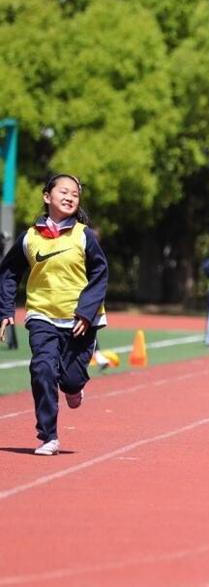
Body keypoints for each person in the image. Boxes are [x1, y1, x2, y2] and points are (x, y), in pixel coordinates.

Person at [0, 174, 108, 455]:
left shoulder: (84, 236)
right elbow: (9, 272)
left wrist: (86, 313)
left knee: (70, 378)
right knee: (43, 368)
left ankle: (74, 388)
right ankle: (48, 436)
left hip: (79, 320)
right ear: (47, 196)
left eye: (75, 193)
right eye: (64, 191)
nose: (70, 197)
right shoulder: (30, 238)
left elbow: (100, 273)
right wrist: (5, 309)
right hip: (42, 315)